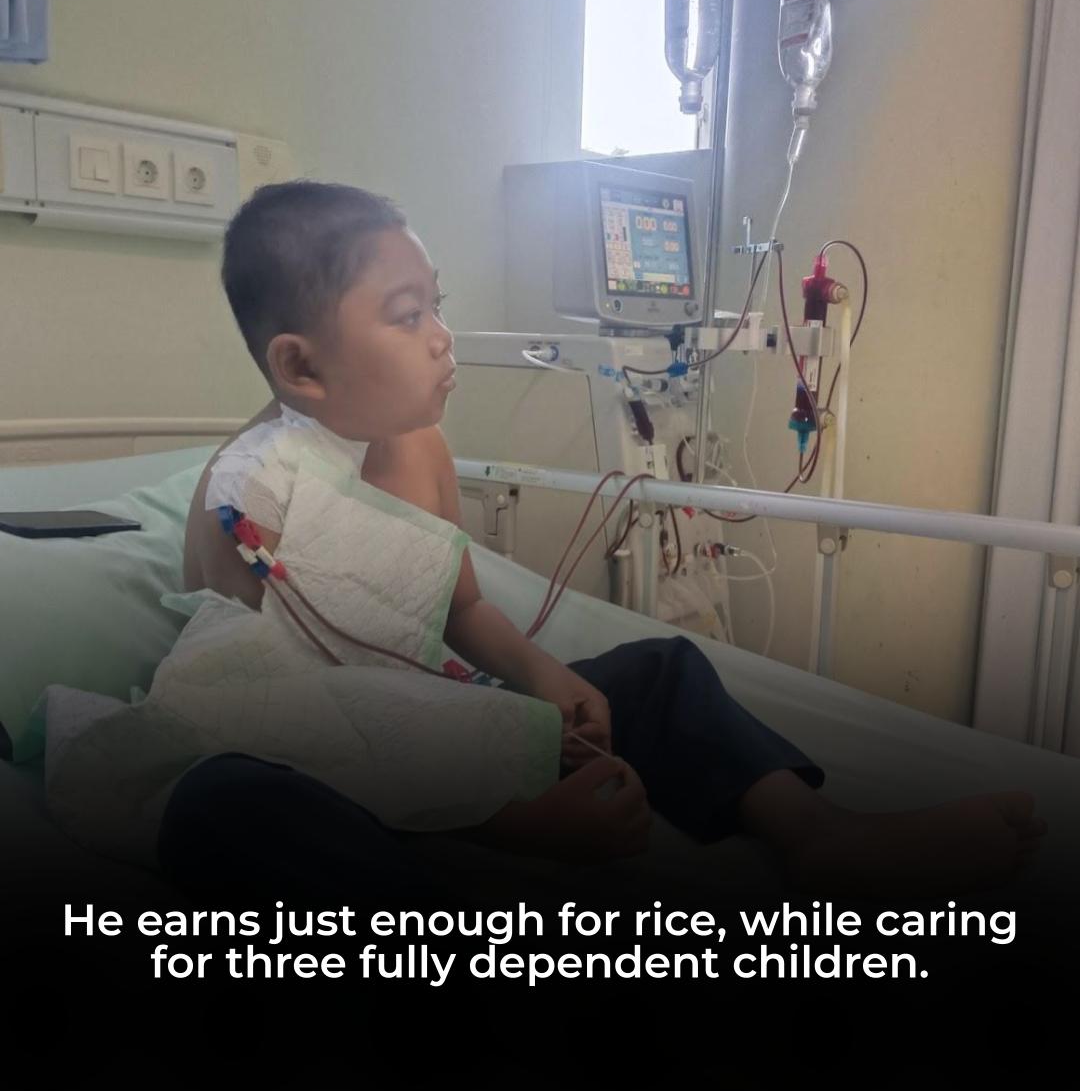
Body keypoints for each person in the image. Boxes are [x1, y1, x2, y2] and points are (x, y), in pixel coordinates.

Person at [166, 180, 1045, 905]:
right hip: (333, 758)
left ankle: (819, 837)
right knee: (227, 801)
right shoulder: (253, 501)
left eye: (438, 305)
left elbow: (461, 606)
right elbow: (297, 724)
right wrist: (514, 824)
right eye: (406, 317)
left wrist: (545, 681)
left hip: (443, 723)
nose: (442, 338)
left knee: (661, 673)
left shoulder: (422, 449)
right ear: (302, 367)